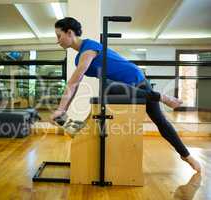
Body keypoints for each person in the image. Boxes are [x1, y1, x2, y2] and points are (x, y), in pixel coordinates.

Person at [50, 17, 201, 173]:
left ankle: (185, 153)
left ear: (69, 33)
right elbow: (74, 85)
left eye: (59, 36)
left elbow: (73, 82)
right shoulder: (78, 57)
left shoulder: (88, 49)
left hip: (137, 81)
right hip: (125, 88)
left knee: (160, 121)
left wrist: (61, 109)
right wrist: (63, 111)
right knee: (106, 86)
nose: (58, 41)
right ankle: (162, 102)